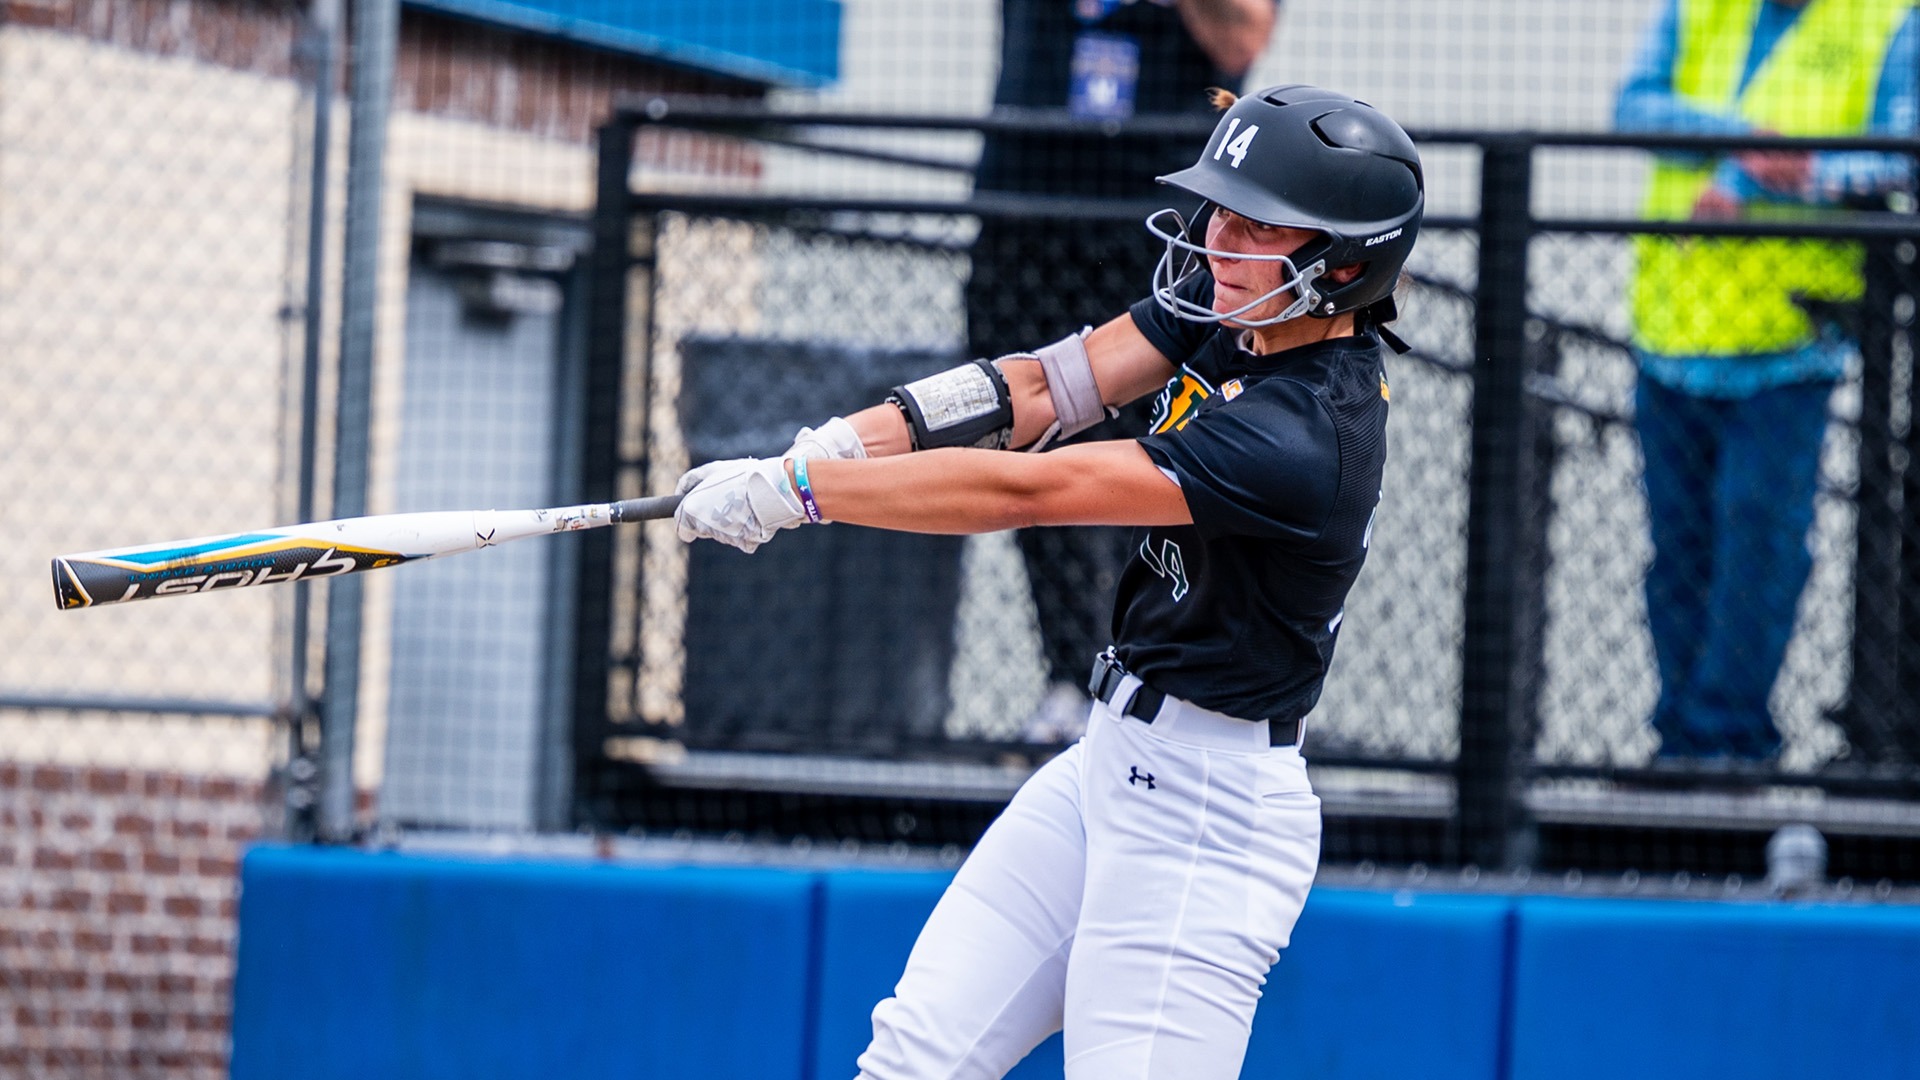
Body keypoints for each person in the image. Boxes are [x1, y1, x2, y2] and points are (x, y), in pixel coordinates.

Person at [675, 85, 1422, 1080]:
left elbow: (1028, 486)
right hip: (1106, 765)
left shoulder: (1301, 434)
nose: (1216, 240)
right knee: (912, 1060)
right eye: (1221, 212)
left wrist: (810, 492)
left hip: (1208, 816)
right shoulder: (1236, 316)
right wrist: (839, 440)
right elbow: (1035, 388)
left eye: (1255, 226)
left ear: (1342, 263)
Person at [1616, 0, 1917, 760]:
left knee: (1759, 545)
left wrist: (1801, 173)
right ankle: (1679, 739)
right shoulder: (1699, 10)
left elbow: (1903, 154)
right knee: (1677, 549)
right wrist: (1741, 146)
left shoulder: (1889, 21)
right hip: (1673, 328)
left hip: (1791, 340)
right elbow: (1634, 105)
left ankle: (1725, 745)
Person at [971, 0, 1279, 738]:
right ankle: (1070, 676)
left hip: (1153, 236)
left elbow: (1242, 35)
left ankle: (1147, 674)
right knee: (1024, 435)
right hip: (1027, 218)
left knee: (1160, 462)